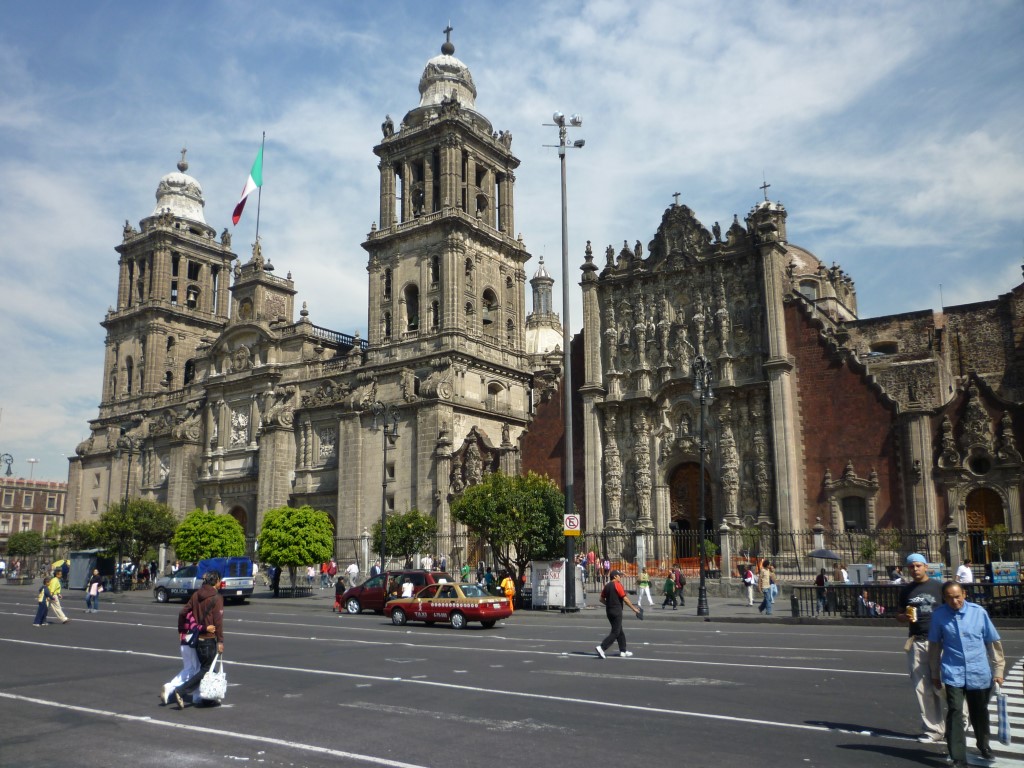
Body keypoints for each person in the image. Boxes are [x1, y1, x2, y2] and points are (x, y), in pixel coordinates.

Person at [929, 581, 1004, 767]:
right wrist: (935, 673)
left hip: (979, 671)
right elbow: (935, 646)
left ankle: (983, 744)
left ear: (964, 594)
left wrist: (998, 669)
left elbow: (992, 642)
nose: (954, 601)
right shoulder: (939, 616)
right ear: (944, 598)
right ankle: (958, 756)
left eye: (957, 596)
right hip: (953, 671)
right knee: (955, 711)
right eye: (949, 597)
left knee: (979, 711)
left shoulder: (979, 613)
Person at [896, 553, 945, 744]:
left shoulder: (939, 587)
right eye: (911, 567)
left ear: (926, 567)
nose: (915, 569)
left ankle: (958, 725)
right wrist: (904, 618)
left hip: (939, 642)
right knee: (922, 688)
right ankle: (933, 729)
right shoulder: (906, 591)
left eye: (918, 566)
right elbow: (898, 615)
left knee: (947, 686)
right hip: (917, 641)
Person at [171, 571, 225, 709]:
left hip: (198, 639)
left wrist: (181, 629)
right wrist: (220, 641)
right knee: (206, 670)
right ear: (216, 580)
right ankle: (181, 690)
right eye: (219, 580)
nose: (220, 583)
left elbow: (182, 612)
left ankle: (207, 698)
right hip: (209, 639)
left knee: (207, 670)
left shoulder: (196, 595)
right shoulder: (217, 598)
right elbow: (218, 622)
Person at [595, 569, 640, 658]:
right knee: (616, 632)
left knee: (619, 630)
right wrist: (634, 609)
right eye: (619, 575)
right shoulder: (617, 585)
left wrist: (609, 604)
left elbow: (601, 599)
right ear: (615, 577)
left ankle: (623, 651)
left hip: (609, 611)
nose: (620, 577)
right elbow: (625, 598)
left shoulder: (607, 586)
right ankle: (602, 647)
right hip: (617, 611)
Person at [162, 607, 201, 706]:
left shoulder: (185, 612)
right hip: (192, 643)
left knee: (189, 669)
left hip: (184, 643)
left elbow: (183, 624)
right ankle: (197, 696)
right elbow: (195, 627)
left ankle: (170, 687)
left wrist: (180, 631)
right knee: (197, 670)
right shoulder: (195, 613)